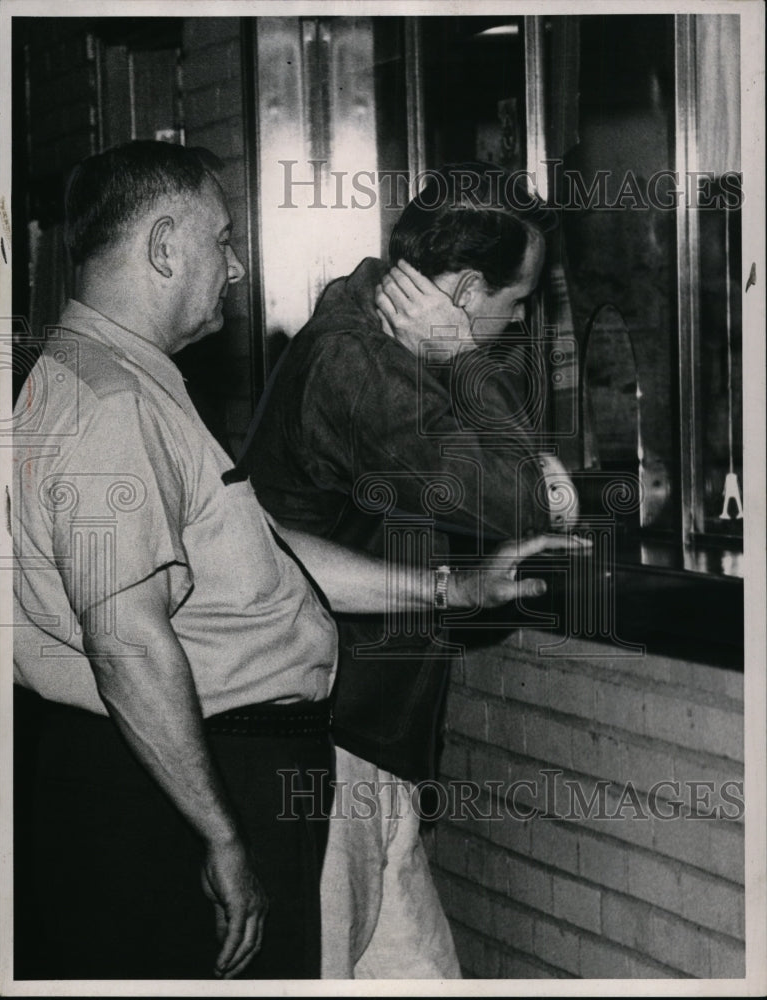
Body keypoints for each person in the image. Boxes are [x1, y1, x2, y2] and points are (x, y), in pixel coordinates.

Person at [11, 142, 579, 981]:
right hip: (220, 769)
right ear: (164, 247)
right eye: (223, 240)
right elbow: (126, 643)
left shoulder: (129, 380)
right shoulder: (111, 406)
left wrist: (453, 586)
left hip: (266, 753)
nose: (237, 267)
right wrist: (224, 835)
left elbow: (260, 547)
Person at [230, 162, 580, 978]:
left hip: (355, 740)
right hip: (323, 738)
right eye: (517, 301)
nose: (521, 322)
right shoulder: (361, 372)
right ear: (460, 293)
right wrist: (465, 362)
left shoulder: (366, 335)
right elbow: (529, 500)